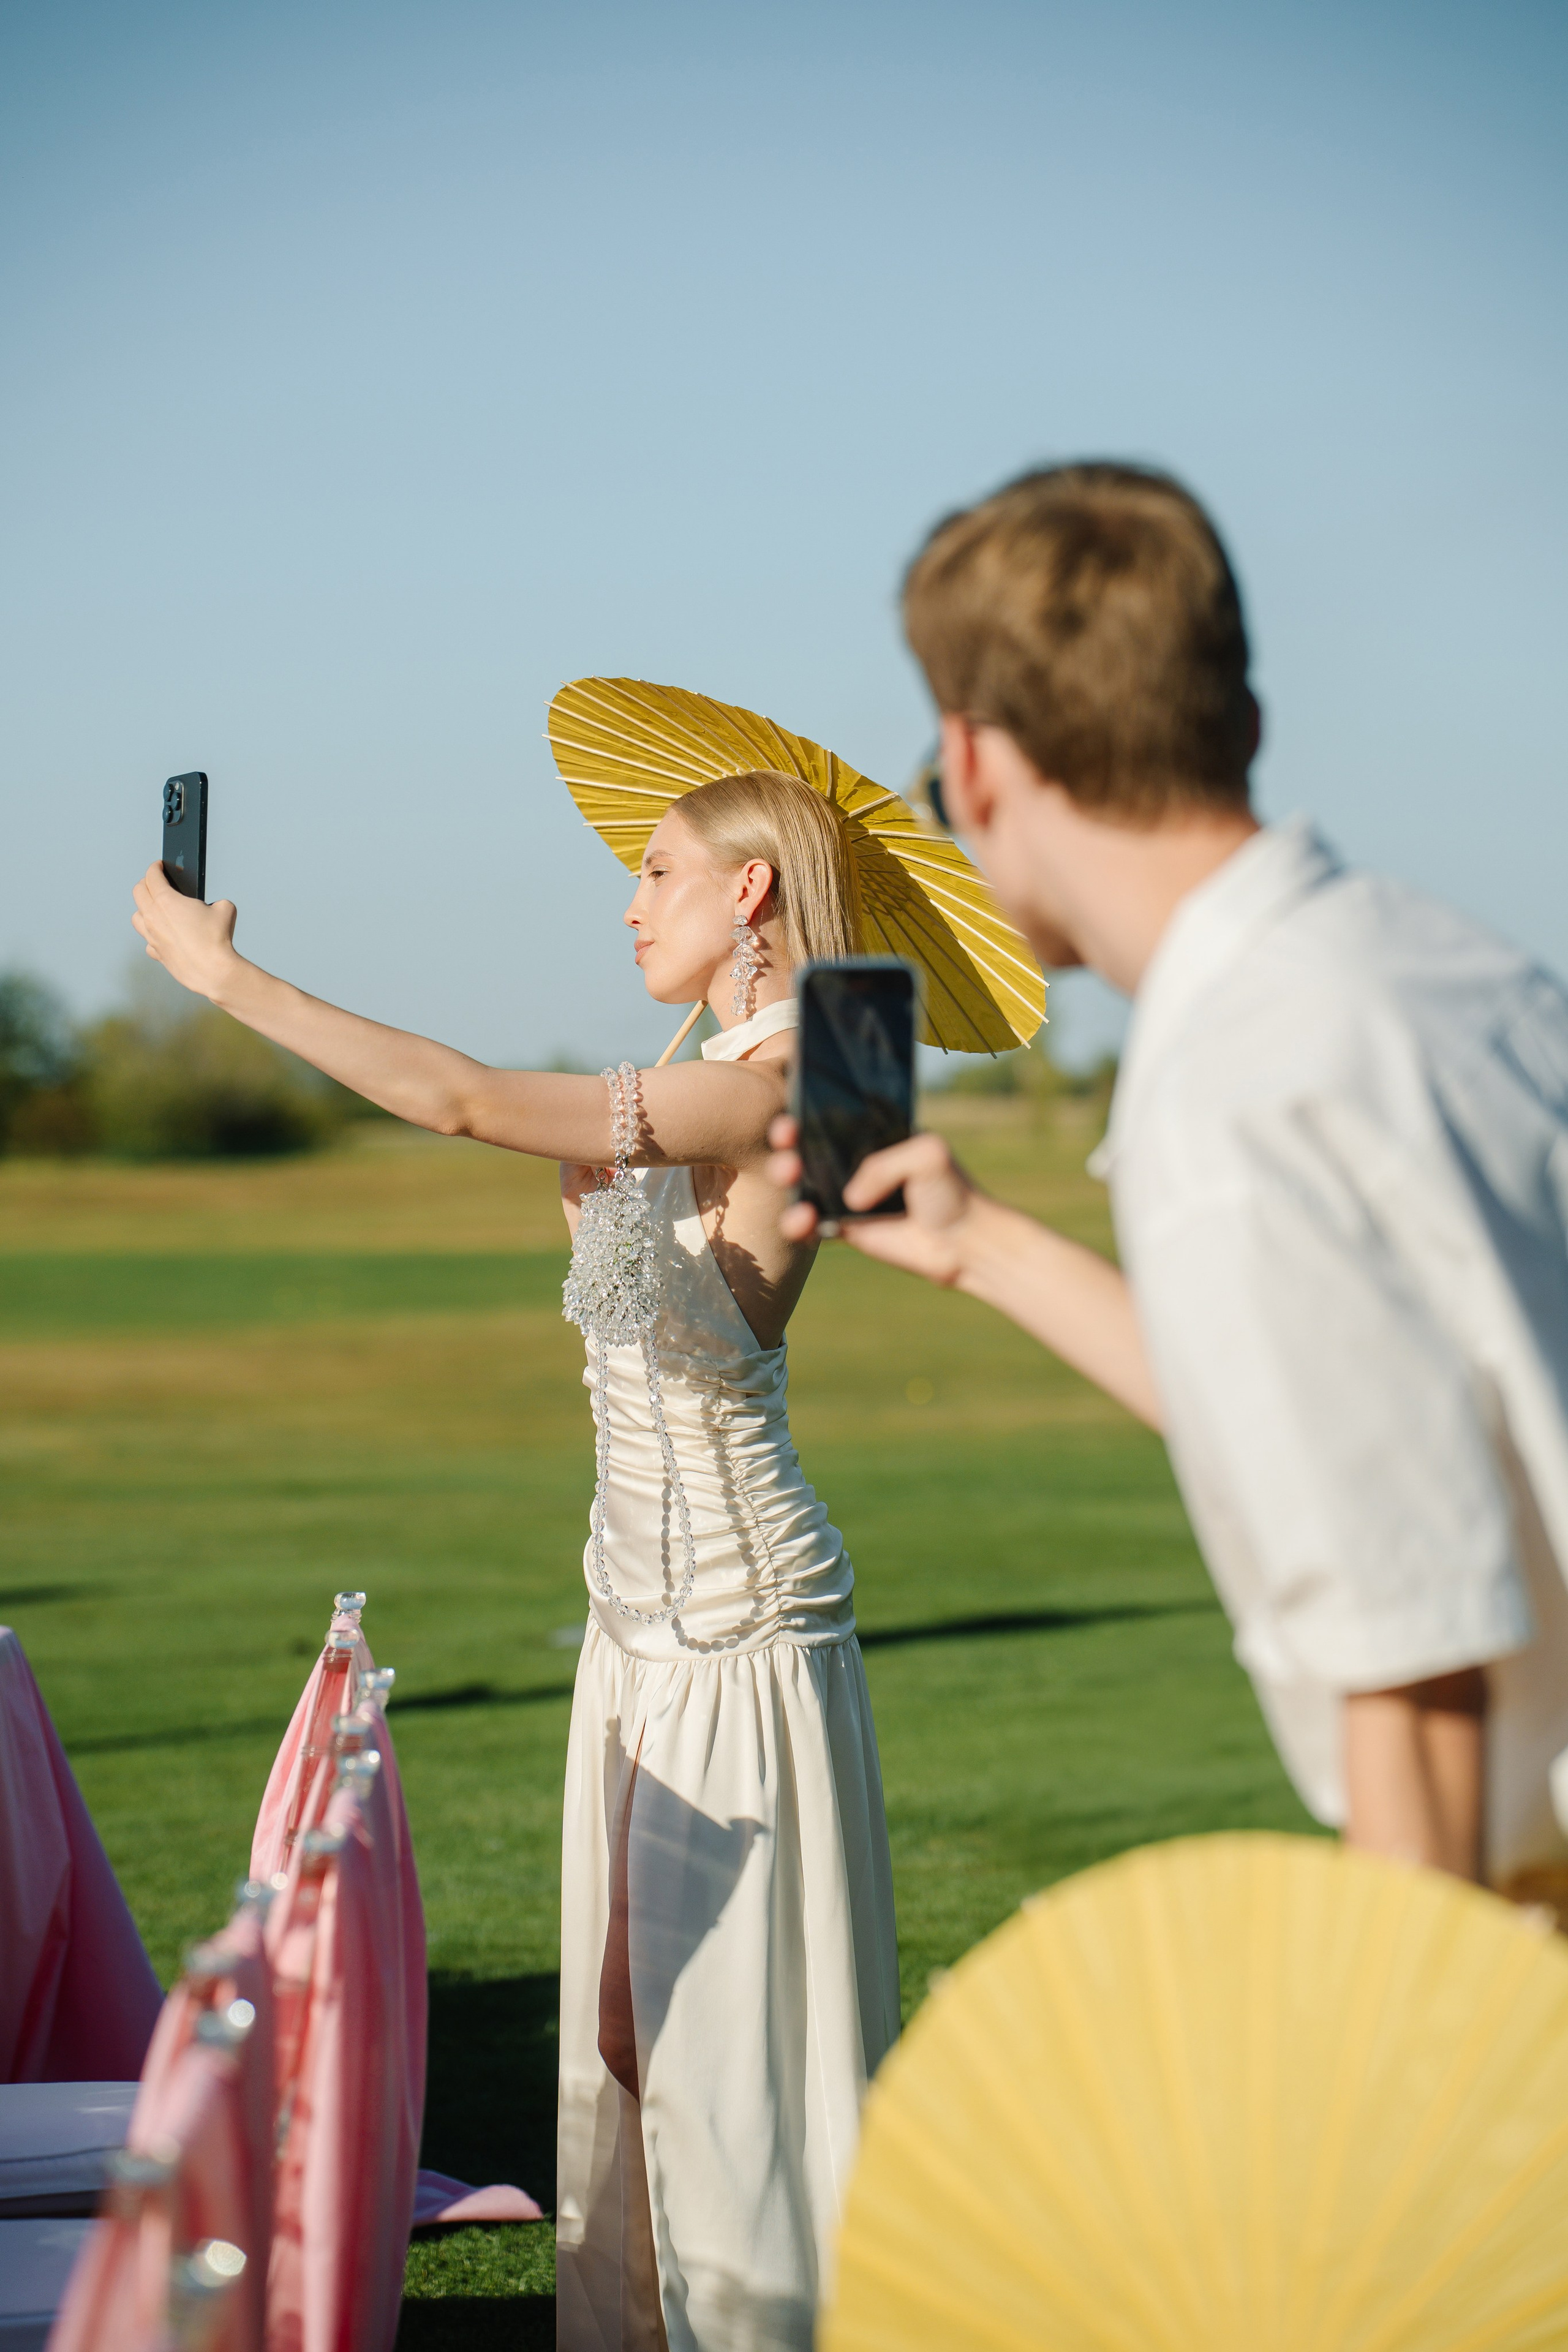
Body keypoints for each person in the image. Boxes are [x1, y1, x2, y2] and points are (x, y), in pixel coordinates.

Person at [132, 767, 900, 2351]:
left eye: (658, 869)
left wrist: (225, 980)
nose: (630, 903)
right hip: (632, 1620)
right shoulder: (702, 1061)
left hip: (733, 1629)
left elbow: (465, 1101)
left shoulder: (783, 1079)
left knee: (713, 2062)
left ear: (749, 895)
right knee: (620, 2043)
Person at [774, 461, 1568, 1898]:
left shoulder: (1235, 1080)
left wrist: (1417, 2080)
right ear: (1239, 720)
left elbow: (1419, 1664)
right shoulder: (1448, 970)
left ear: (974, 762)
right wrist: (981, 1243)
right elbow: (1371, 1413)